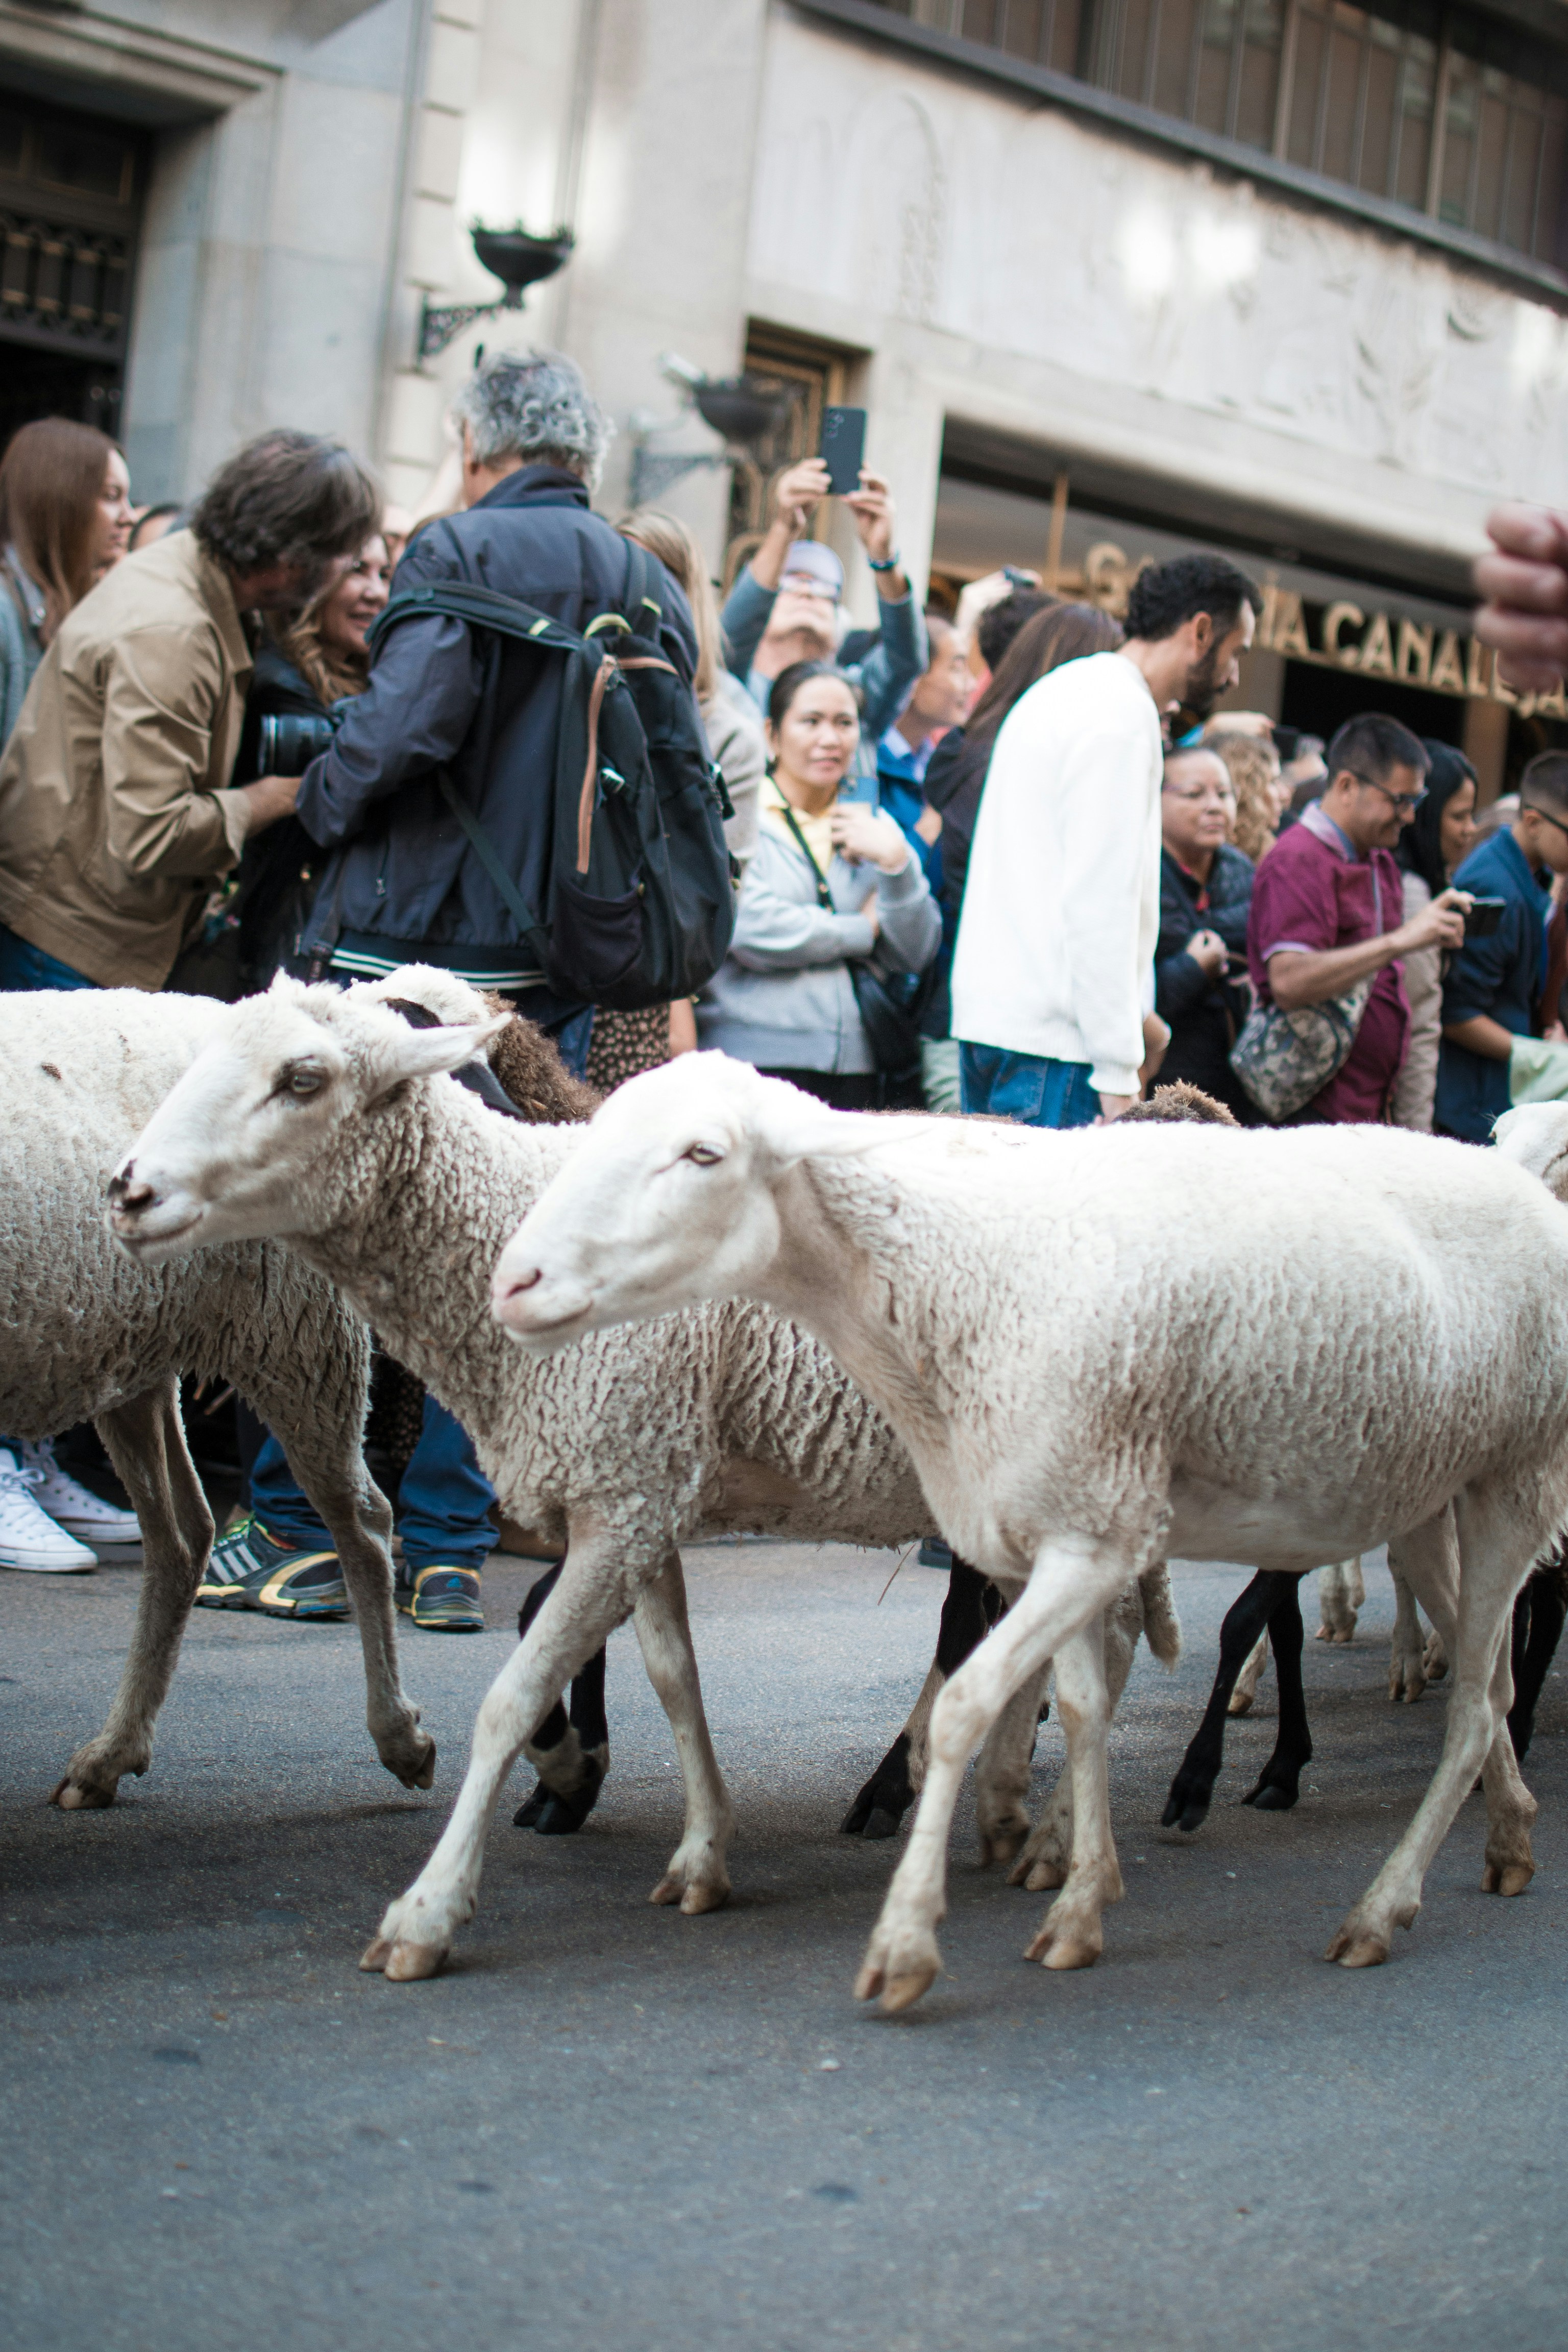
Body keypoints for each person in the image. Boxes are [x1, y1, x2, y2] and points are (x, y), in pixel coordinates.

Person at [215, 353, 699, 1636]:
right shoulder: (643, 575)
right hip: (561, 966)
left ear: (477, 439)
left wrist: (315, 802)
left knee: (345, 1238)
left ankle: (303, 1533)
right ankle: (442, 1549)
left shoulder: (457, 543)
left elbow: (407, 724)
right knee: (492, 1255)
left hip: (413, 954)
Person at [0, 428, 376, 994]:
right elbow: (152, 831)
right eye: (342, 557)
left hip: (86, 933)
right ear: (293, 556)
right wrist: (278, 795)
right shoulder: (174, 629)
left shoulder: (198, 580)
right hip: (67, 946)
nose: (343, 574)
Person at [952, 552, 1260, 1128]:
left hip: (999, 1027)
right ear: (1200, 632)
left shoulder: (1068, 689)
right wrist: (1120, 1070)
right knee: (1055, 1221)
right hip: (1057, 1049)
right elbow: (1100, 902)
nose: (1235, 675)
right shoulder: (1119, 714)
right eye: (1237, 651)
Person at [697, 659, 940, 1106]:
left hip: (857, 1063)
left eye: (844, 723)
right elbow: (749, 927)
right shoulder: (736, 816)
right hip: (750, 1057)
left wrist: (896, 863)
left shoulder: (873, 826)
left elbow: (914, 951)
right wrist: (861, 930)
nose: (830, 739)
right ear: (771, 735)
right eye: (811, 722)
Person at [1244, 714, 1467, 1125]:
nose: (1410, 816)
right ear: (1347, 786)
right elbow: (1289, 981)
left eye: (1416, 801)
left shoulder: (1378, 858)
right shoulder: (1298, 858)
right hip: (1312, 1117)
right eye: (1400, 800)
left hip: (1365, 1113)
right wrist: (1402, 941)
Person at [616, 505, 767, 1070]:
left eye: (652, 580)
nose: (633, 599)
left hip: (649, 984)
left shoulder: (726, 733)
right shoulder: (568, 699)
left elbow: (718, 896)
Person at [223, 529, 393, 994]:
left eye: (385, 573)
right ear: (313, 581)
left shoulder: (365, 674)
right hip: (281, 940)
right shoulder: (279, 687)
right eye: (357, 571)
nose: (376, 592)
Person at [719, 455, 924, 778]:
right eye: (792, 582)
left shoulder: (855, 696)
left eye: (825, 591)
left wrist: (882, 556)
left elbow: (905, 660)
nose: (808, 593)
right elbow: (730, 638)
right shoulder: (735, 689)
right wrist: (784, 528)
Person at [1435, 750, 1568, 1142]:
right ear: (1533, 822)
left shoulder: (1532, 875)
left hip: (1494, 1093)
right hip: (1472, 1107)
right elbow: (1457, 1016)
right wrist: (1540, 1058)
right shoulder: (1494, 885)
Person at [1, 417, 133, 748]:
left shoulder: (71, 601)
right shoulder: (5, 610)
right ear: (59, 499)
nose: (129, 517)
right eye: (112, 496)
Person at [1154, 745, 1256, 1118]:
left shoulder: (1240, 869)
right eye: (1195, 794)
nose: (1215, 806)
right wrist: (1194, 967)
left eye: (1224, 794)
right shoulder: (1144, 874)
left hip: (1234, 1083)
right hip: (1163, 1081)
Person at [1391, 743, 1479, 1133]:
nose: (1470, 829)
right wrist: (1418, 1141)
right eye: (1459, 816)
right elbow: (1420, 1028)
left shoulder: (1415, 884)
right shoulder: (1412, 896)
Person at [1208, 725, 1285, 864]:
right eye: (1273, 782)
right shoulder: (1205, 851)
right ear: (1247, 790)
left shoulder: (1275, 855)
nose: (1284, 794)